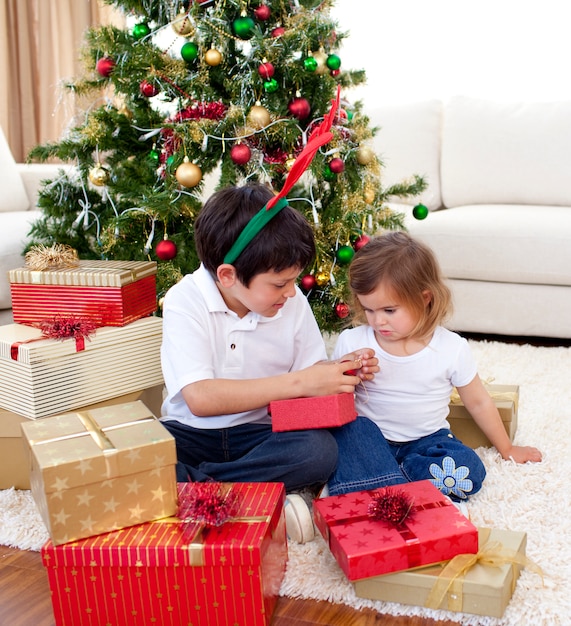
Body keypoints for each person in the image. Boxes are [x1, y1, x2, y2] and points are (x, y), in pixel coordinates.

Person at [159, 183, 398, 543]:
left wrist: (339, 371)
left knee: (317, 451)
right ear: (227, 276)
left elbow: (310, 380)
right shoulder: (184, 300)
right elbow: (201, 399)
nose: (291, 292)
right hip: (190, 433)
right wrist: (302, 382)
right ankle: (246, 495)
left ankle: (203, 490)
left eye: (292, 281)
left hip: (259, 434)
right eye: (278, 284)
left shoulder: (291, 301)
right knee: (143, 456)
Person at [331, 231, 542, 502]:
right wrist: (348, 370)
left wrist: (507, 447)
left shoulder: (451, 348)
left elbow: (478, 402)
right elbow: (332, 398)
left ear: (424, 298)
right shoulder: (353, 341)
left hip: (428, 442)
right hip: (370, 441)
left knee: (470, 469)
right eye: (369, 310)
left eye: (389, 311)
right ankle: (397, 485)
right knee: (344, 438)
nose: (377, 321)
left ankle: (386, 482)